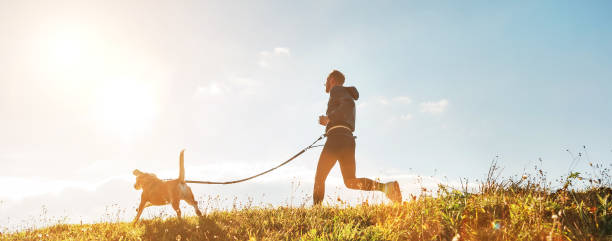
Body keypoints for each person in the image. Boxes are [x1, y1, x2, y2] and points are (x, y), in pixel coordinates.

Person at [313, 69, 402, 205]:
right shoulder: (344, 92)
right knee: (350, 181)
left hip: (337, 138)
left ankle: (316, 213)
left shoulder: (336, 90)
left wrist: (329, 118)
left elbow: (348, 105)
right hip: (347, 139)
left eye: (325, 81)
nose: (325, 84)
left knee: (320, 177)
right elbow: (347, 106)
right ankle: (387, 187)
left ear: (331, 80)